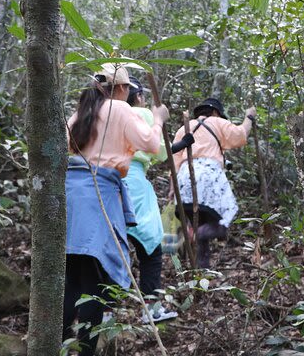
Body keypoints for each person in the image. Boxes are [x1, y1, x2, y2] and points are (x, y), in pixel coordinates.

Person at [63, 64, 168, 355]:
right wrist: (158, 119)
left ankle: (56, 344)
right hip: (100, 193)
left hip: (72, 191)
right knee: (93, 279)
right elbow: (151, 143)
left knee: (73, 276)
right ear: (122, 89)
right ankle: (85, 350)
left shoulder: (81, 110)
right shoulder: (118, 108)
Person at [171, 98, 255, 268]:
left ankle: (200, 271)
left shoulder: (184, 128)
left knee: (198, 221)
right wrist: (249, 117)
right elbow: (241, 134)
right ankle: (195, 235)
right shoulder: (217, 122)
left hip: (185, 178)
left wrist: (172, 187)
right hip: (208, 176)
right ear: (216, 113)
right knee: (225, 218)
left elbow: (174, 160)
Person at [122, 76, 178, 323]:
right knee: (152, 247)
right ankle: (152, 310)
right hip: (133, 182)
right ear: (139, 97)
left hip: (104, 182)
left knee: (112, 247)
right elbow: (161, 150)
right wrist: (159, 120)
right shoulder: (142, 114)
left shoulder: (106, 114)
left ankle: (101, 313)